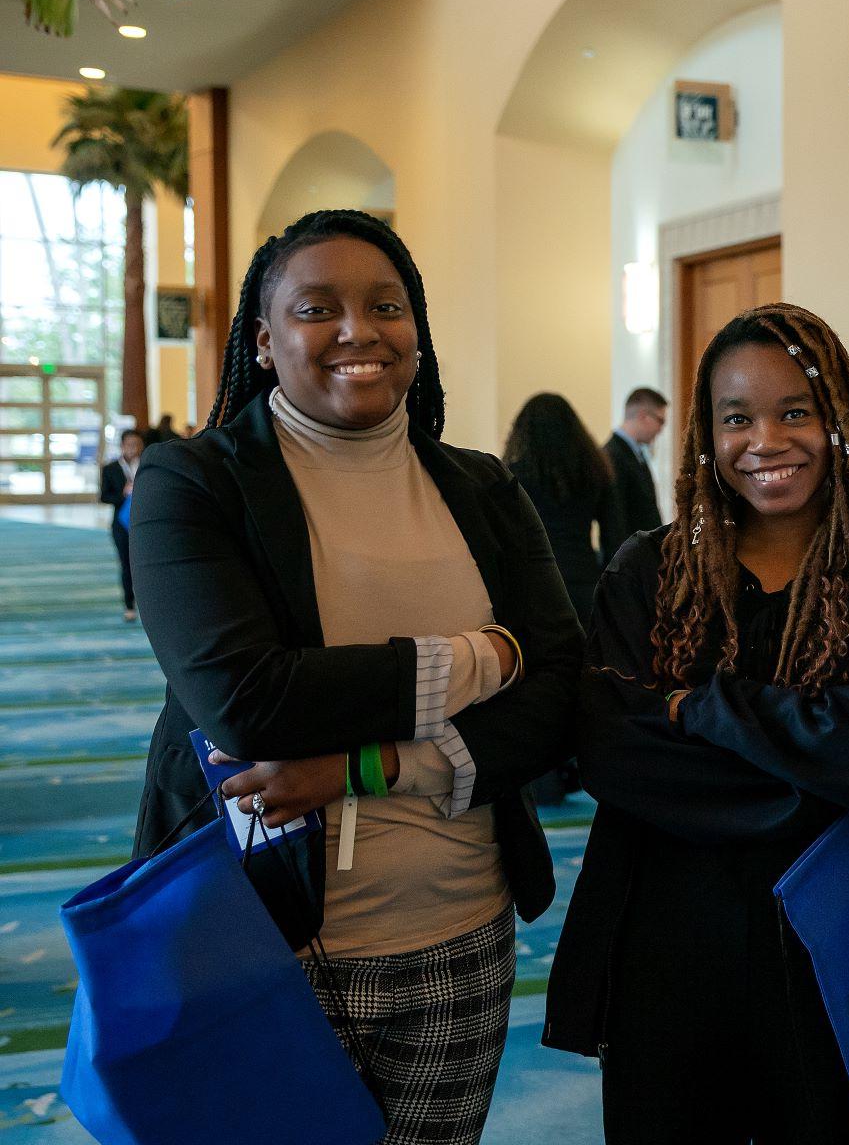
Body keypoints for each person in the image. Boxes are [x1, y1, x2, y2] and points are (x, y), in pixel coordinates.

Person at [129, 209, 582, 1145]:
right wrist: (482, 656)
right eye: (316, 308)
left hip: (464, 931)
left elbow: (563, 692)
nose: (357, 330)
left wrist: (361, 768)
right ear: (262, 338)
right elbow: (248, 701)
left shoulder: (483, 488)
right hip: (264, 942)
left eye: (388, 305)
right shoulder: (192, 484)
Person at [543, 303, 849, 1145]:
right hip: (661, 944)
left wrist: (697, 706)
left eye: (794, 412)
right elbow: (610, 754)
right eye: (737, 418)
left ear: (838, 421)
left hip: (830, 942)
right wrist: (810, 770)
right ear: (707, 434)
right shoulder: (648, 571)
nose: (765, 440)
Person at [505, 391, 618, 623]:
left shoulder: (516, 477)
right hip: (585, 581)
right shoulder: (594, 471)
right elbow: (614, 537)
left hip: (535, 588)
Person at [604, 385, 666, 545]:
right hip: (629, 560)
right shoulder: (612, 455)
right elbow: (615, 521)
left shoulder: (635, 453)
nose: (661, 429)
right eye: (661, 420)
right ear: (643, 416)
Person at [98, 428, 142, 621]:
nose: (134, 448)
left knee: (144, 566)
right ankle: (129, 604)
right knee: (126, 565)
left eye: (137, 444)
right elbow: (104, 496)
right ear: (122, 445)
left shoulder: (148, 466)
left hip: (143, 524)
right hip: (121, 524)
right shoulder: (110, 469)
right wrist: (123, 493)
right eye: (130, 444)